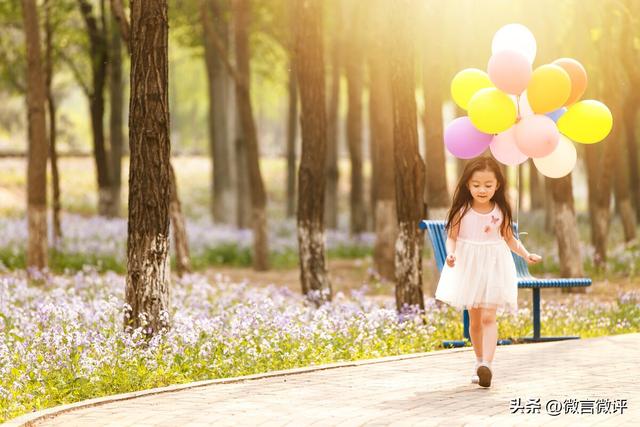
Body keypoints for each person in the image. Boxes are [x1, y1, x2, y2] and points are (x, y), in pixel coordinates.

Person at [434, 157, 541, 388]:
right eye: (476, 185)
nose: (482, 190)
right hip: (469, 266)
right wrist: (450, 255)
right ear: (467, 185)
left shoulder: (500, 210)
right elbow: (451, 238)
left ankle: (488, 366)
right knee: (474, 321)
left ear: (497, 185)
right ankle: (479, 361)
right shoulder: (461, 211)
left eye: (488, 185)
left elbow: (509, 239)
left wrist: (525, 254)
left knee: (488, 317)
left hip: (494, 265)